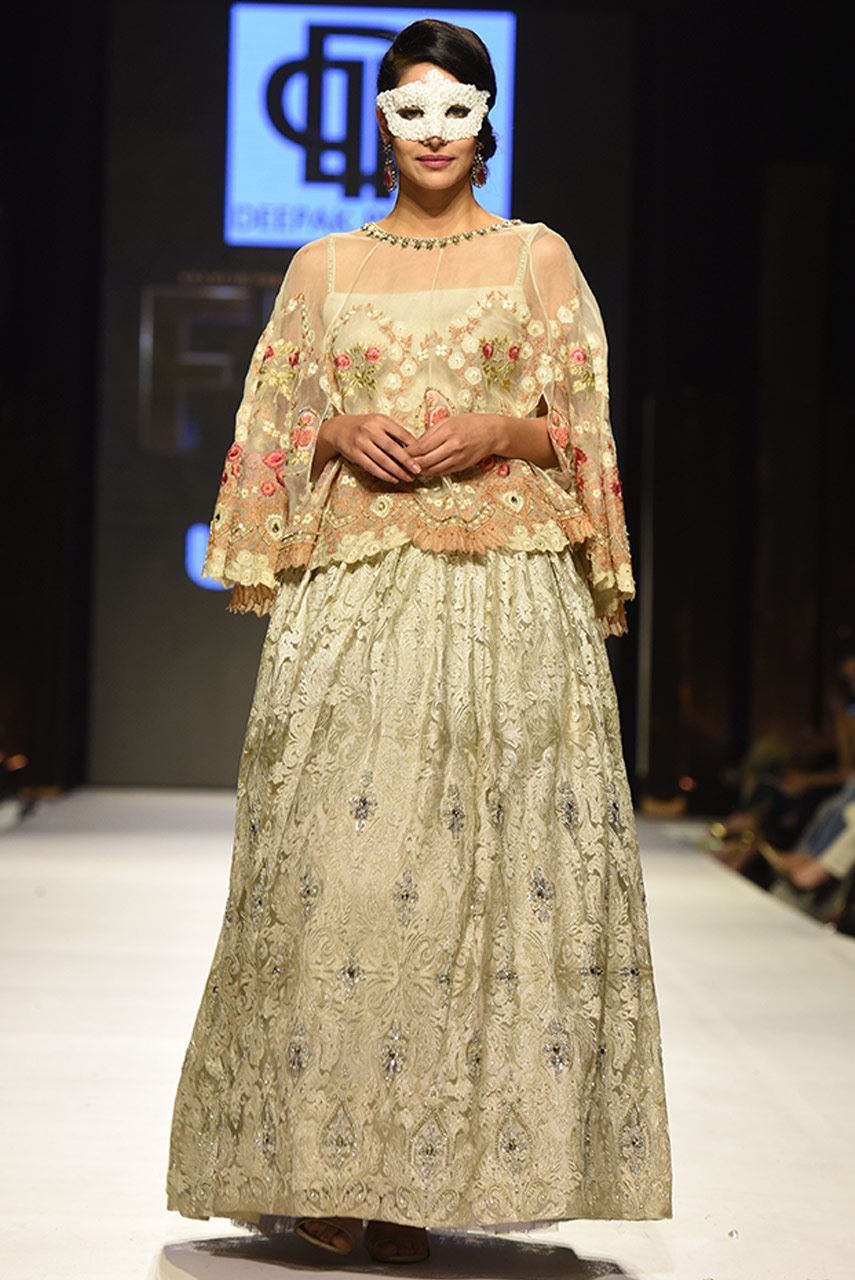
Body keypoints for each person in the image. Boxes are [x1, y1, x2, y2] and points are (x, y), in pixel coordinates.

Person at [166, 17, 673, 1265]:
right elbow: (274, 421)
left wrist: (501, 430)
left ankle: (418, 1175)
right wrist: (337, 434)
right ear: (381, 124)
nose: (434, 132)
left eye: (456, 108)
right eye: (411, 109)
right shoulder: (325, 268)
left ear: (488, 119)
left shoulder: (537, 257)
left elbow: (587, 431)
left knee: (480, 878)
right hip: (354, 595)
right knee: (334, 864)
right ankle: (326, 1163)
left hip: (505, 600)